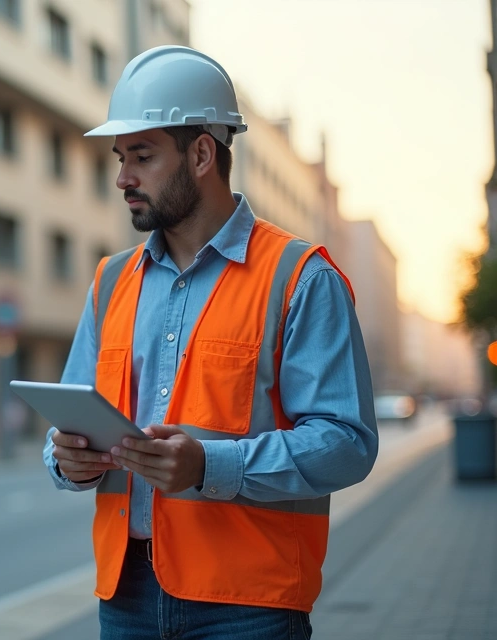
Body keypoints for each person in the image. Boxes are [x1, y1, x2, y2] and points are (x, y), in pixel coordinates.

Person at [42, 45, 378, 639]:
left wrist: (209, 464)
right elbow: (71, 423)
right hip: (125, 597)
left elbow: (347, 443)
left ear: (202, 153)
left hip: (248, 606)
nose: (122, 177)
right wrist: (67, 461)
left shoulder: (299, 277)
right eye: (120, 157)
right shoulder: (110, 282)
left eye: (141, 156)